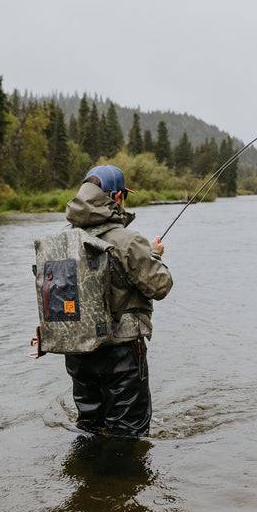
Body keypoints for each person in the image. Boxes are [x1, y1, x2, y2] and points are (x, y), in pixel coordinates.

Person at [61, 165, 173, 437]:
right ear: (117, 197)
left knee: (89, 426)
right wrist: (154, 256)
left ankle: (88, 474)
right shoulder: (128, 240)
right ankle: (122, 477)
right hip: (120, 352)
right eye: (124, 194)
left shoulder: (65, 239)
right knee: (128, 432)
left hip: (78, 350)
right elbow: (160, 285)